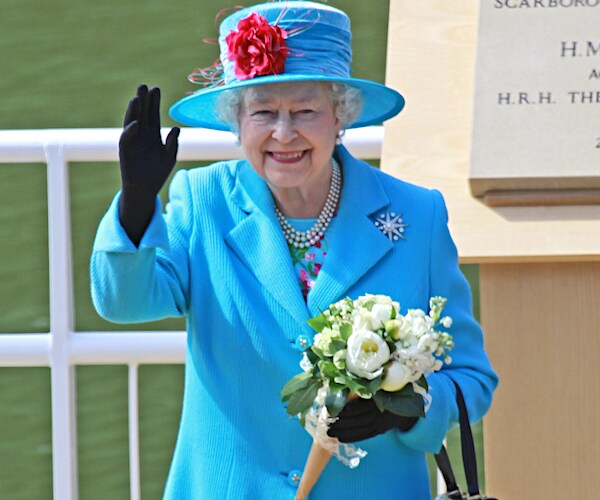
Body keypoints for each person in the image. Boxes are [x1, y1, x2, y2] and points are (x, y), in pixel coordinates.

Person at [90, 1, 498, 498]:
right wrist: (135, 207)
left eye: (305, 110)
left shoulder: (417, 216)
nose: (284, 134)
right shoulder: (204, 203)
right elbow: (123, 304)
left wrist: (406, 409)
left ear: (340, 116)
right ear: (237, 122)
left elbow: (472, 379)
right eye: (263, 112)